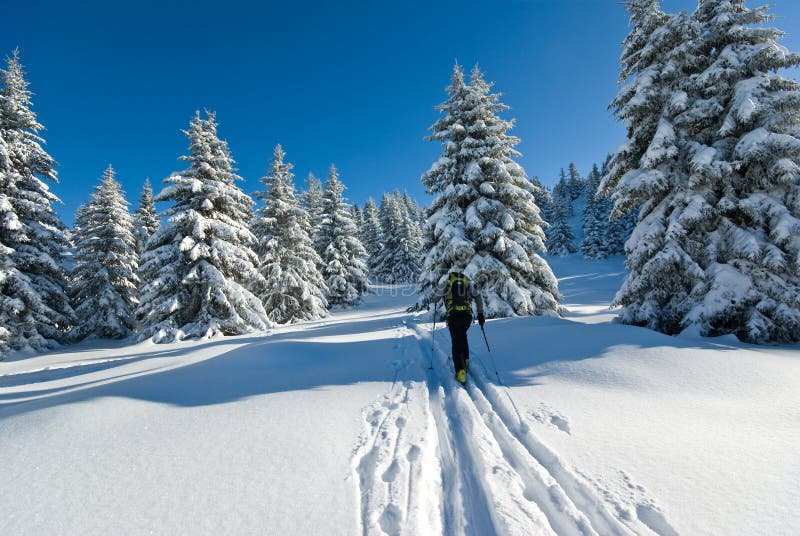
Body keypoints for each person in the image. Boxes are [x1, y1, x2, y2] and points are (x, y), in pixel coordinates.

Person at [432, 271, 485, 384]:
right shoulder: (467, 283)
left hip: (453, 316)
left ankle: (460, 371)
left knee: (456, 343)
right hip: (467, 316)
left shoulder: (448, 283)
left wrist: (437, 297)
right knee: (462, 336)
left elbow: (435, 298)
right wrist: (480, 314)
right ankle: (465, 360)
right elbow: (478, 297)